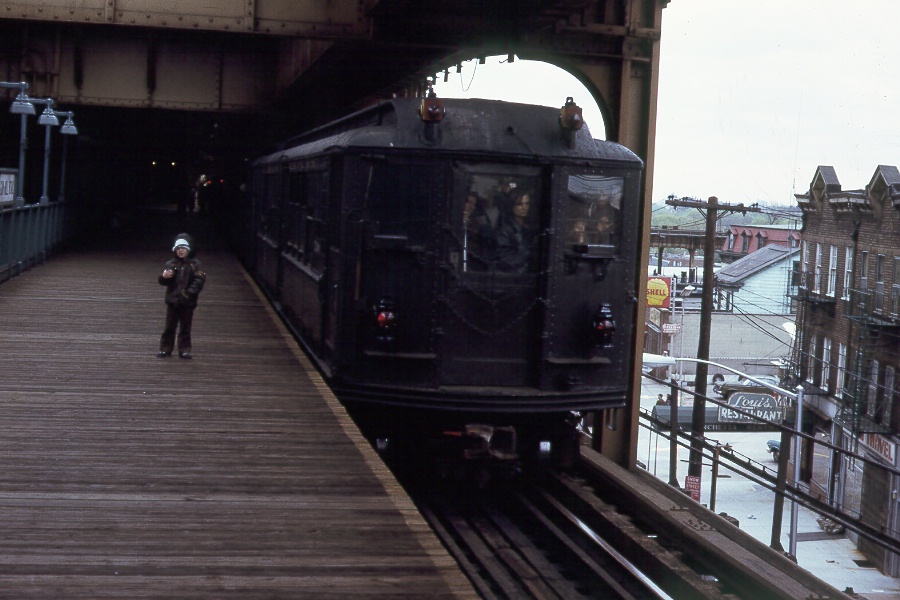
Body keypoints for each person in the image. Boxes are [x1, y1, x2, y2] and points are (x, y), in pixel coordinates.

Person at [157, 233, 206, 359]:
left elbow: (199, 280)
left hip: (187, 302)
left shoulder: (195, 264)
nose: (180, 251)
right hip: (173, 300)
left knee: (185, 327)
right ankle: (165, 349)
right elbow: (163, 282)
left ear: (189, 249)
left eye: (183, 248)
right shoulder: (171, 264)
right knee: (169, 327)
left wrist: (188, 293)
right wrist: (164, 277)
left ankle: (184, 350)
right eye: (178, 248)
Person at [496, 192, 536, 273]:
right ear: (511, 206)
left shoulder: (529, 227)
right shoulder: (504, 230)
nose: (524, 208)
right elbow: (505, 258)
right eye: (519, 204)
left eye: (527, 204)